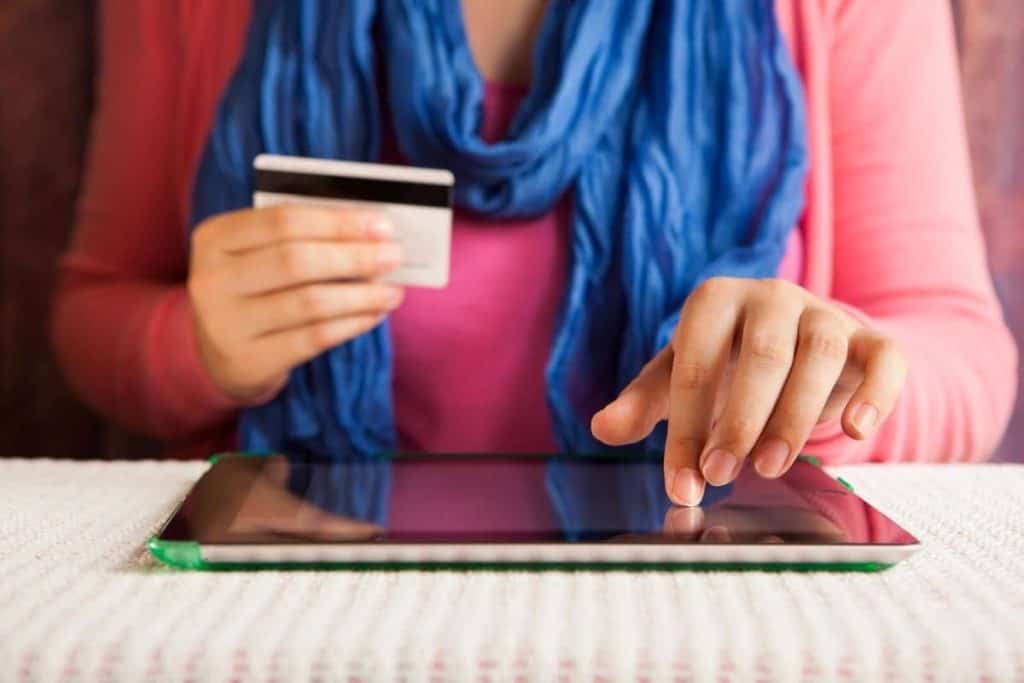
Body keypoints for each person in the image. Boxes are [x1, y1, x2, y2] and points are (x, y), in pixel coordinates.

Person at [53, 0, 1017, 513]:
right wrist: (193, 345)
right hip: (291, 603)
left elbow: (961, 355)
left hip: (706, 606)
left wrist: (824, 381)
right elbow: (94, 311)